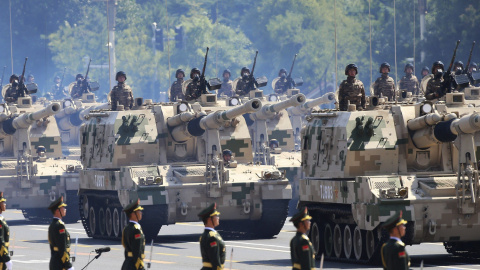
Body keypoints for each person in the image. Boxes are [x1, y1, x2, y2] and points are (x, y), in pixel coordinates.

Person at [48, 196, 73, 270]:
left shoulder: (53, 225)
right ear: (57, 211)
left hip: (55, 262)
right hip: (60, 264)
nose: (65, 209)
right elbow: (62, 247)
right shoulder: (59, 226)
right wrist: (68, 265)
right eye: (63, 208)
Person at [198, 203, 225, 270]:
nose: (218, 217)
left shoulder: (206, 235)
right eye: (216, 216)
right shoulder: (212, 237)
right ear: (210, 219)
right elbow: (215, 260)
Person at [121, 199, 146, 270]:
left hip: (127, 264)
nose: (141, 213)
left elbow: (126, 248)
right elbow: (137, 252)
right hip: (134, 266)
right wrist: (140, 267)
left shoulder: (127, 228)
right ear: (133, 214)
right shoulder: (136, 230)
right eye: (139, 211)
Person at [0, 192, 12, 270]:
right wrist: (6, 256)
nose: (5, 204)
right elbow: (0, 240)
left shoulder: (2, 218)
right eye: (3, 202)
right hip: (1, 255)